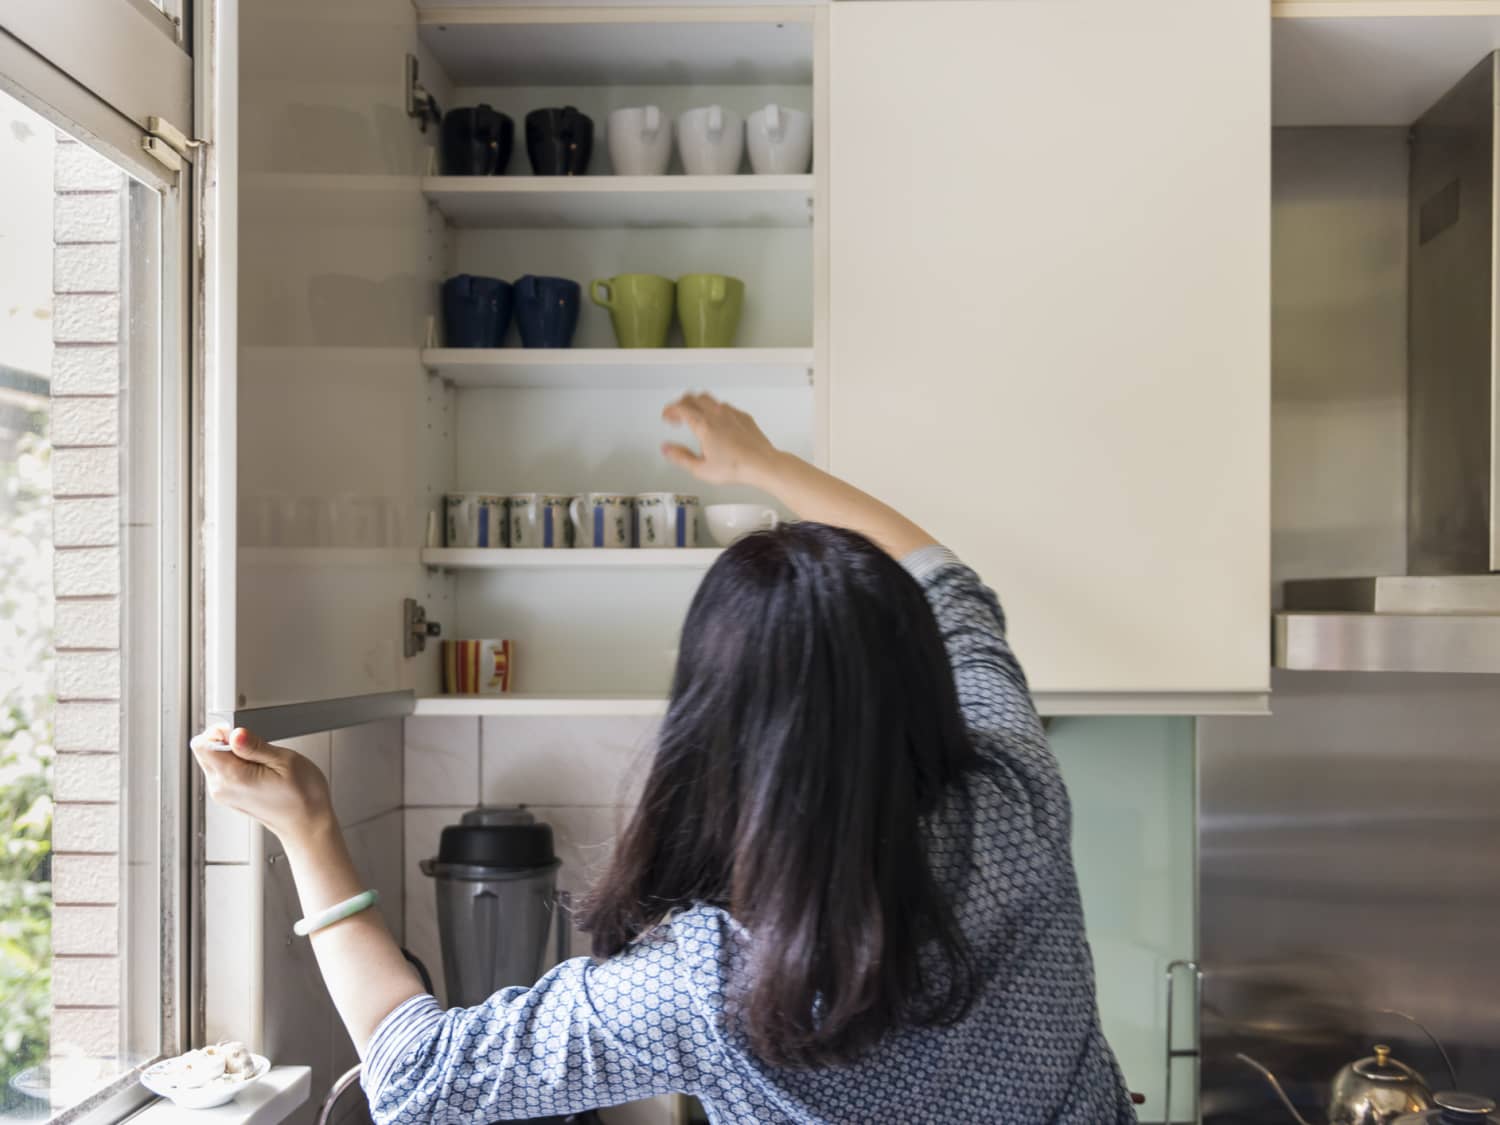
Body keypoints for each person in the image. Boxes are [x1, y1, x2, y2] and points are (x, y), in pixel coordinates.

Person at [192, 393, 1137, 1124]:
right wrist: (767, 465)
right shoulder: (1016, 790)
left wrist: (308, 828)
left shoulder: (716, 983)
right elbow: (951, 583)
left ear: (714, 723)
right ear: (919, 672)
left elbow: (417, 1076)